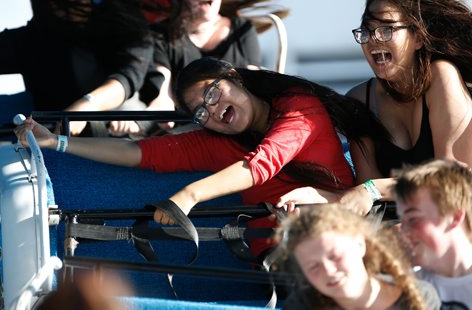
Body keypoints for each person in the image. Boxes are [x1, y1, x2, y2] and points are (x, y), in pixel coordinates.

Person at [15, 57, 386, 259]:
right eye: (199, 112)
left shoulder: (298, 106)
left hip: (341, 237)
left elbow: (263, 163)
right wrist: (58, 143)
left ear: (235, 78)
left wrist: (190, 195)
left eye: (212, 93)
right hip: (278, 258)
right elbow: (142, 153)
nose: (211, 111)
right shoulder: (220, 141)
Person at [276, 0, 472, 215]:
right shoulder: (358, 100)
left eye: (386, 29)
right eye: (366, 32)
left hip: (467, 222)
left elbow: (452, 179)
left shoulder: (442, 75)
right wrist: (319, 198)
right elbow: (371, 199)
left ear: (419, 38)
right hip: (403, 227)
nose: (373, 40)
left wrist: (372, 190)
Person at [0, 0, 186, 136]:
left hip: (126, 128)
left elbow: (129, 76)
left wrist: (84, 108)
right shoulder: (29, 41)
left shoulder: (121, 22)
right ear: (47, 5)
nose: (83, 5)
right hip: (55, 141)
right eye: (67, 2)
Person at [108, 0, 288, 136]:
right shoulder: (161, 35)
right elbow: (164, 94)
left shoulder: (242, 30)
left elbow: (253, 79)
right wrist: (138, 120)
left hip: (237, 132)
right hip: (189, 132)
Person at [276, 204, 440, 310]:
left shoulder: (417, 297)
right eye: (313, 266)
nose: (329, 271)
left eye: (335, 256)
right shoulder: (301, 305)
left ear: (360, 245)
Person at [393, 159, 472, 309]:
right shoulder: (412, 281)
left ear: (455, 217)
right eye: (402, 220)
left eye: (413, 219)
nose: (403, 230)